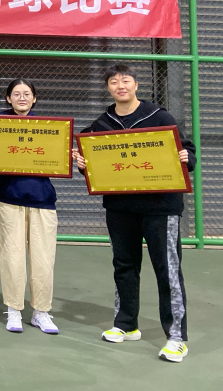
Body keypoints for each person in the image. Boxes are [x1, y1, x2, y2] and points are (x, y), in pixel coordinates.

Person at [72, 64, 195, 363]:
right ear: (108, 88)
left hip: (160, 208)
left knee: (167, 270)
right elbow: (91, 161)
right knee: (124, 265)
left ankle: (176, 337)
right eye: (114, 82)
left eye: (125, 80)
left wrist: (185, 157)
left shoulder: (160, 117)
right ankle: (126, 324)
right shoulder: (101, 125)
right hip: (120, 208)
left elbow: (188, 152)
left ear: (136, 85)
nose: (120, 86)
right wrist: (83, 164)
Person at [0, 80, 59, 335]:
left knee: (44, 260)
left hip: (43, 202)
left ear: (34, 99)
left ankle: (41, 313)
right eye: (16, 94)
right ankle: (14, 311)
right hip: (10, 200)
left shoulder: (49, 127)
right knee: (12, 257)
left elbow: (58, 158)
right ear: (8, 98)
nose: (22, 98)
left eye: (27, 94)